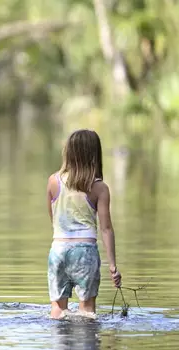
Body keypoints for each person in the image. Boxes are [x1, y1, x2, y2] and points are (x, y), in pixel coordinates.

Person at [46, 129, 122, 319]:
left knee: (57, 310)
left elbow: (53, 219)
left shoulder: (53, 181)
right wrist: (112, 265)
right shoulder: (99, 187)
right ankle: (86, 347)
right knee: (87, 311)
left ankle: (59, 346)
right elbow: (106, 228)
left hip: (58, 250)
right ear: (94, 154)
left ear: (68, 152)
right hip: (85, 252)